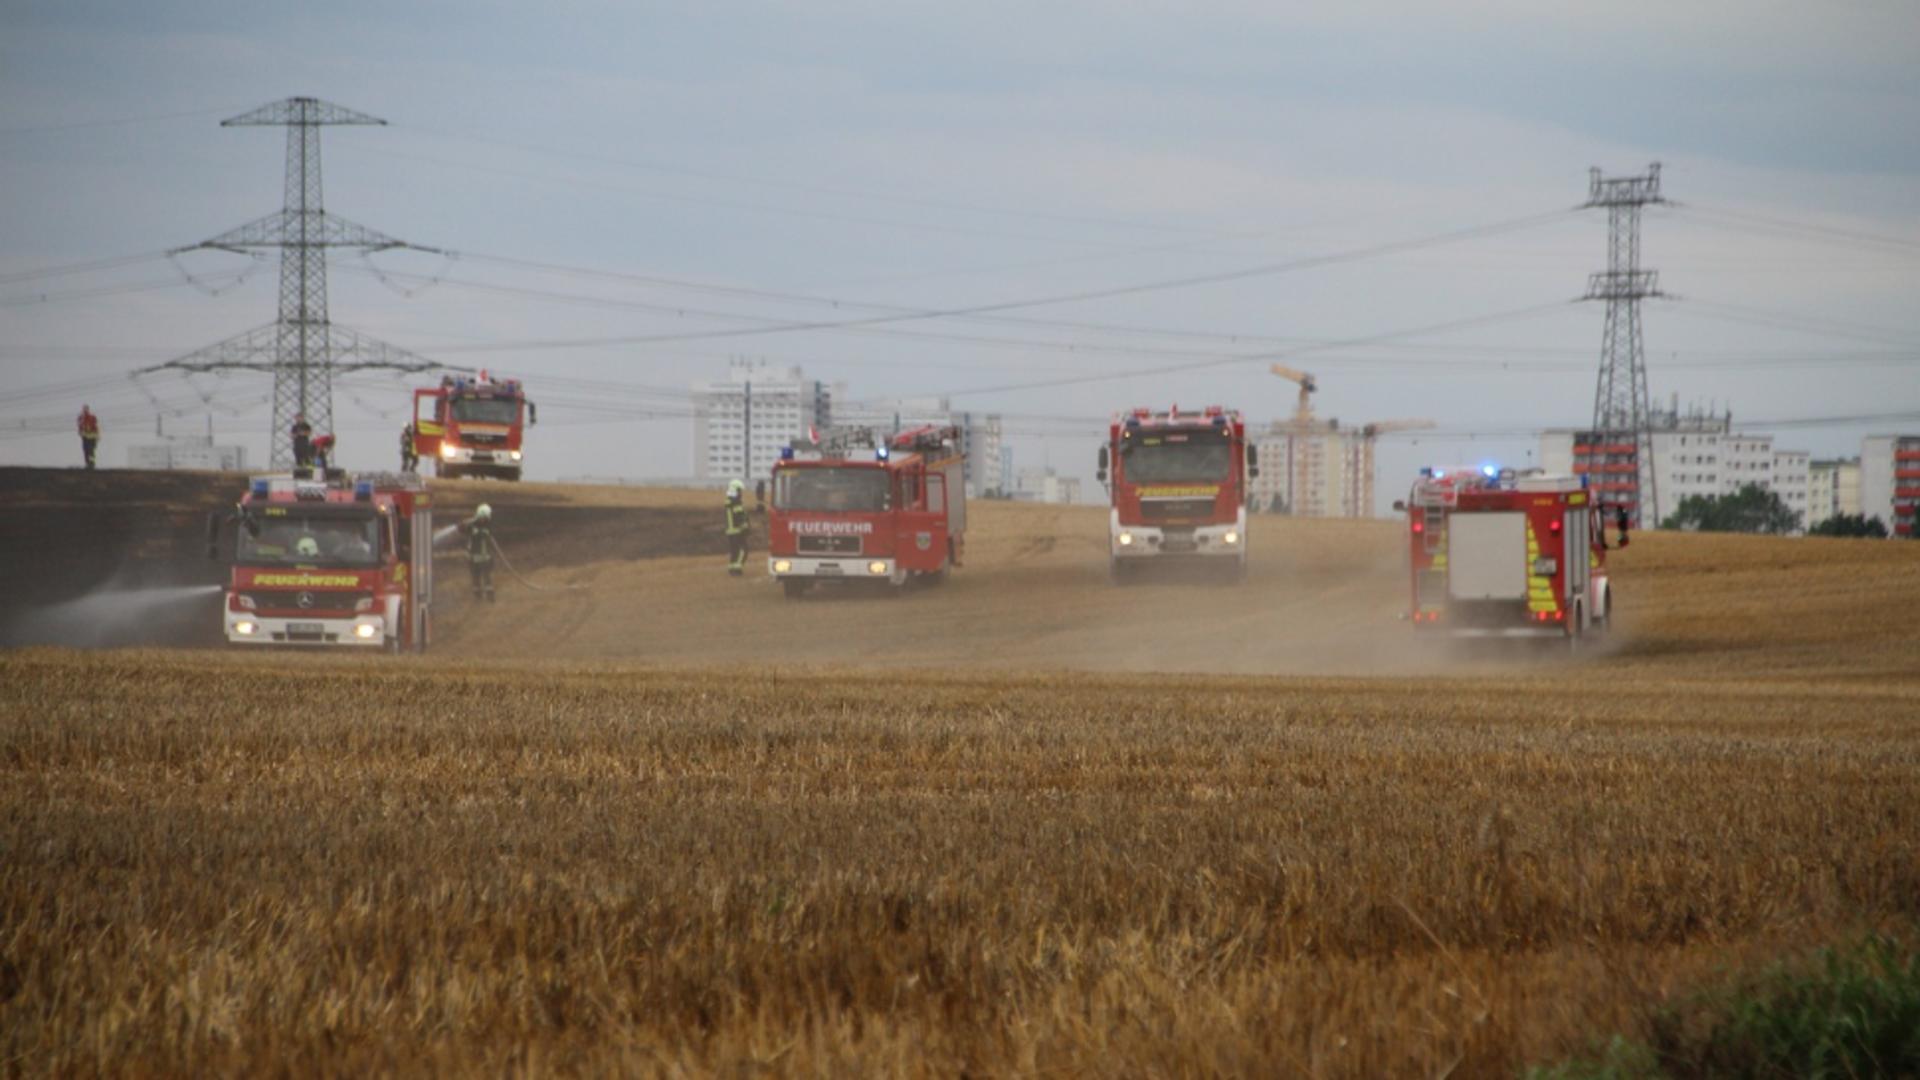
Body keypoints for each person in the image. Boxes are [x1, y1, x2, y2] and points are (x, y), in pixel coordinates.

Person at [460, 503, 496, 602]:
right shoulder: (472, 526)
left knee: (487, 579)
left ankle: (490, 598)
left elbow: (484, 534)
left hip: (484, 558)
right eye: (484, 517)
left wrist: (474, 529)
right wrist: (465, 524)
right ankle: (478, 598)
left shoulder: (486, 527)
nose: (485, 519)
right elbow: (461, 529)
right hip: (473, 558)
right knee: (476, 579)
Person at [724, 479, 750, 577]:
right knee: (743, 550)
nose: (741, 493)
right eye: (739, 490)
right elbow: (740, 517)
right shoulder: (736, 503)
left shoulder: (729, 502)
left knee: (734, 551)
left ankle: (731, 568)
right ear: (735, 490)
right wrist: (745, 527)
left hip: (730, 531)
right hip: (737, 531)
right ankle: (737, 569)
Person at [76, 405, 100, 470]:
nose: (85, 411)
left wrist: (97, 436)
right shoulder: (81, 418)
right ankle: (88, 464)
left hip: (92, 437)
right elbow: (80, 426)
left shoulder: (92, 417)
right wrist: (81, 433)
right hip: (85, 437)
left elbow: (96, 427)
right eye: (84, 409)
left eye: (86, 409)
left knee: (91, 451)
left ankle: (91, 464)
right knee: (86, 451)